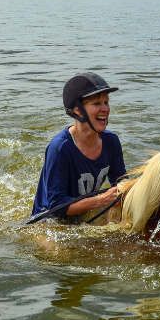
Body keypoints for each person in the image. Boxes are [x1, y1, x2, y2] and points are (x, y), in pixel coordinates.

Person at [31, 73, 126, 220]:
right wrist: (100, 201)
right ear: (78, 110)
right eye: (97, 104)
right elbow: (56, 207)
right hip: (48, 222)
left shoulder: (112, 142)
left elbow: (121, 183)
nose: (105, 109)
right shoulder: (60, 148)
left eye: (106, 102)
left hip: (84, 216)